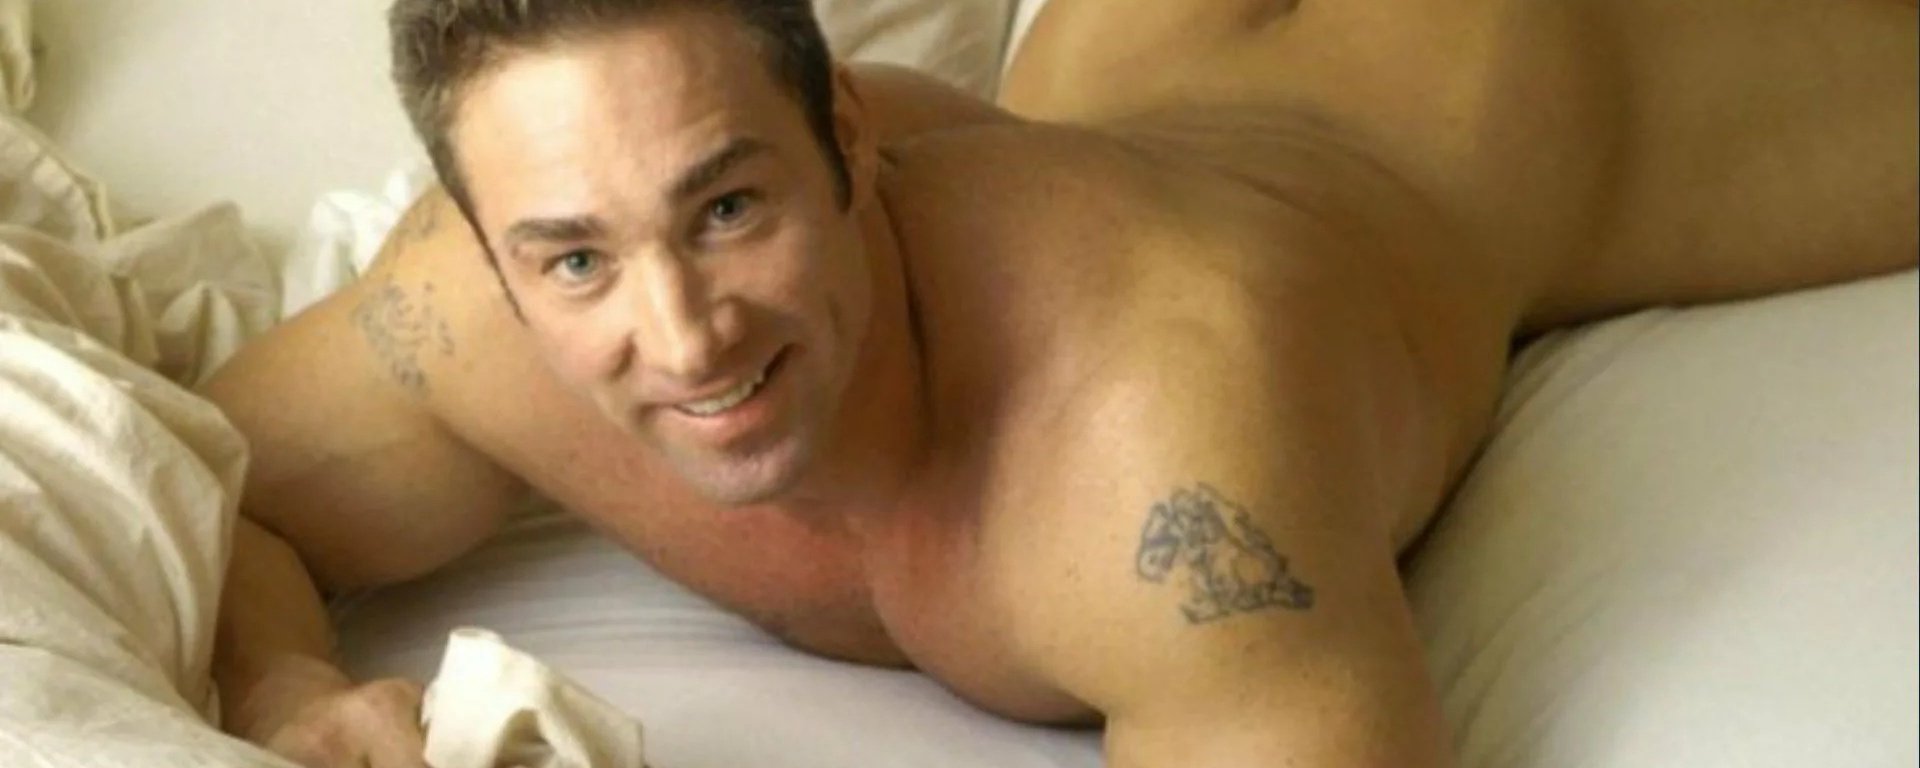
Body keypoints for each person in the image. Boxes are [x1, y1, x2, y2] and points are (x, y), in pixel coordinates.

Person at [203, 0, 1918, 765]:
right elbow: (224, 493)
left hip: (1481, 91)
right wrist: (282, 682)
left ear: (846, 136)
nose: (688, 336)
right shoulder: (458, 315)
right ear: (488, 249)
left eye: (729, 209)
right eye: (575, 258)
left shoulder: (1166, 456)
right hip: (1121, 64)